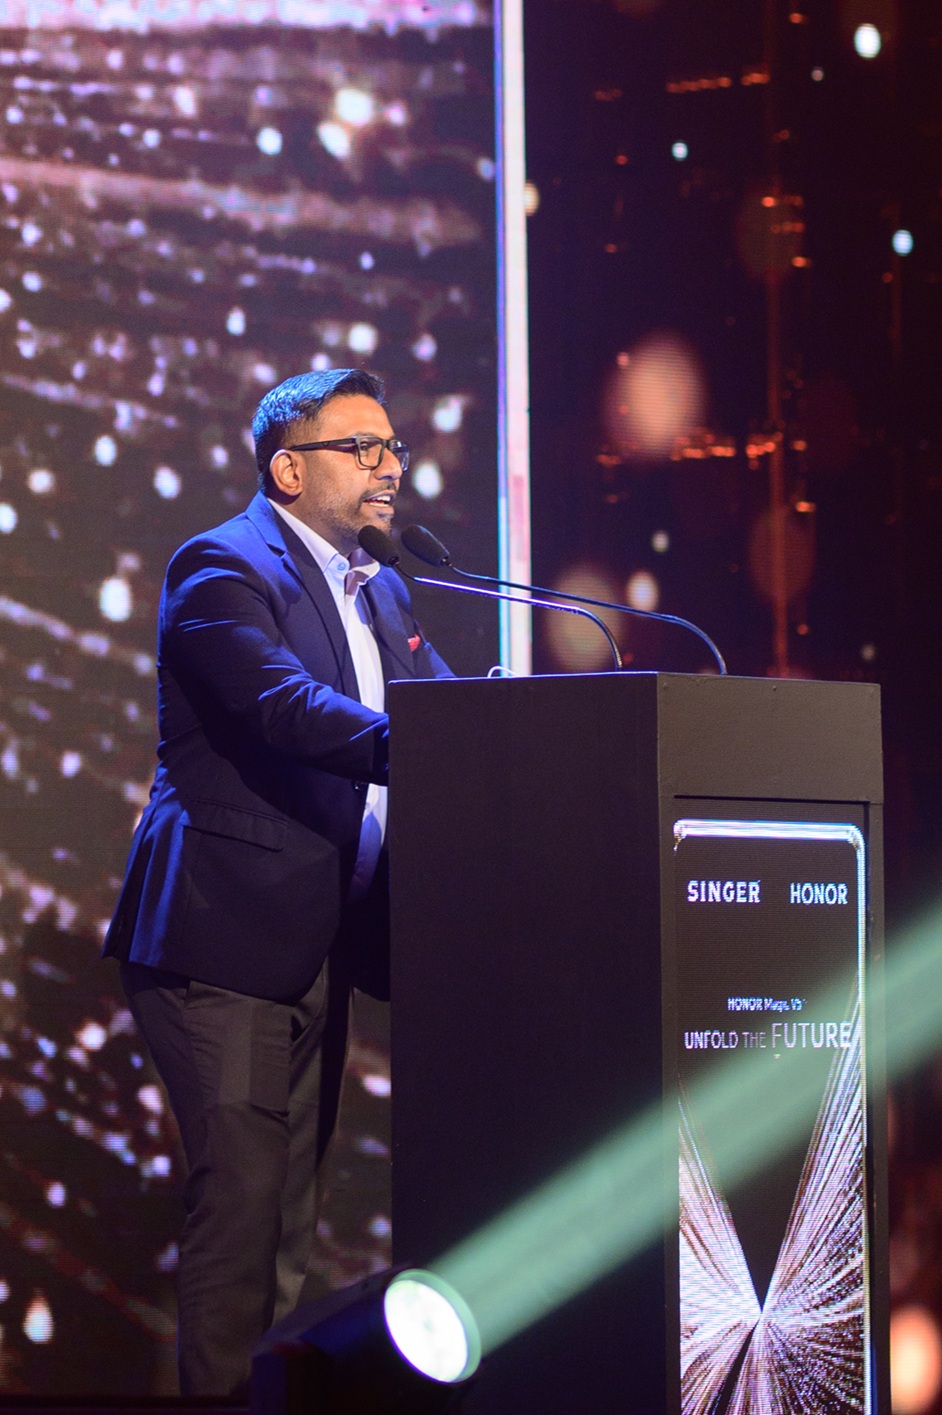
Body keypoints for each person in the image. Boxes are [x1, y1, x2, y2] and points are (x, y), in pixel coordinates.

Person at [103, 368, 452, 1396]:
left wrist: (509, 742)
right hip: (222, 941)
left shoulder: (383, 589)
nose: (390, 467)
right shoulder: (221, 566)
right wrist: (426, 749)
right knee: (244, 1209)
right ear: (289, 469)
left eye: (393, 448)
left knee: (290, 1222)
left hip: (319, 944)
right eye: (363, 448)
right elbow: (283, 705)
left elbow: (452, 711)